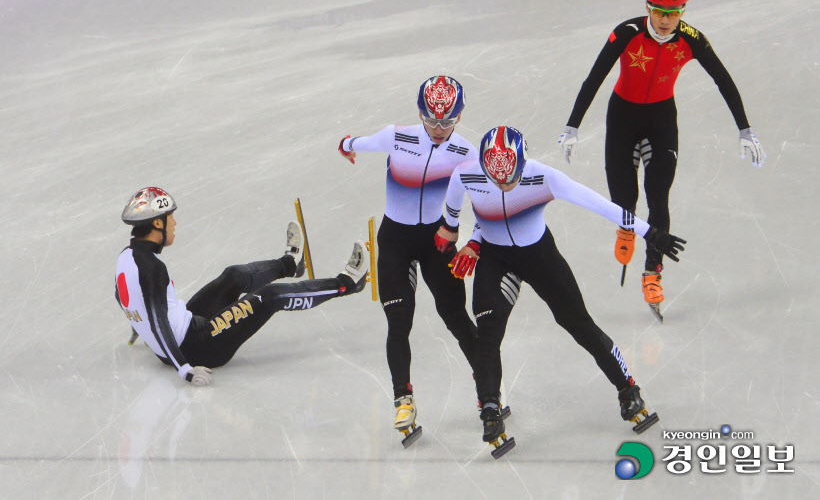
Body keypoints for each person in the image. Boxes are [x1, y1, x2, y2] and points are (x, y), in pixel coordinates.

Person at [437, 126, 686, 456]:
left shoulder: (543, 177)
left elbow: (600, 204)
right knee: (488, 332)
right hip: (496, 261)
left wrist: (649, 232)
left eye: (509, 179)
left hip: (540, 258)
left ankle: (628, 390)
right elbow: (453, 215)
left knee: (579, 325)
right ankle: (490, 409)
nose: (501, 185)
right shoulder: (467, 175)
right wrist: (461, 238)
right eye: (495, 178)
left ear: (522, 165)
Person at [558, 0, 765, 308]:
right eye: (658, 10)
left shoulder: (692, 39)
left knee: (658, 196)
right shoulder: (626, 33)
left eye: (674, 12)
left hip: (661, 121)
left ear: (684, 10)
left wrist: (745, 129)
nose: (666, 19)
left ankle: (652, 272)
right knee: (623, 197)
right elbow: (594, 78)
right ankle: (626, 226)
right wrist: (572, 126)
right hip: (622, 119)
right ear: (647, 6)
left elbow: (723, 81)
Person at [338, 75, 482, 443]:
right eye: (431, 120)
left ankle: (488, 387)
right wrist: (346, 144)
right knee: (398, 320)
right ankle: (403, 399)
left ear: (460, 116)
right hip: (397, 240)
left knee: (456, 317)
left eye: (447, 122)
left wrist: (476, 243)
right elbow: (359, 142)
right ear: (420, 114)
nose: (438, 129)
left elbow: (490, 204)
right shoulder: (397, 136)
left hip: (438, 241)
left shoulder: (467, 153)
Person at [114, 186, 367, 386]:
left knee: (233, 276)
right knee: (268, 297)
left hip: (186, 328)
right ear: (157, 223)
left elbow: (122, 296)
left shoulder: (126, 257)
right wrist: (185, 370)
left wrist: (140, 325)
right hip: (199, 348)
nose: (175, 224)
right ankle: (347, 283)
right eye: (171, 217)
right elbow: (157, 319)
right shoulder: (152, 268)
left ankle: (290, 264)